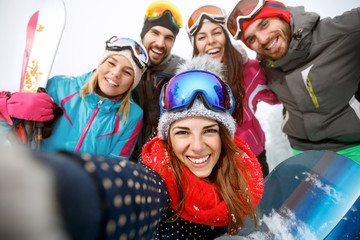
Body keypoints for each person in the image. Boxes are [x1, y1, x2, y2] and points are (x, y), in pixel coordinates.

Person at [0, 57, 264, 240]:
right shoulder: (159, 183)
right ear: (167, 140)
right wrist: (43, 190)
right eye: (182, 132)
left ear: (224, 136)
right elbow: (117, 190)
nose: (197, 146)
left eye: (209, 131)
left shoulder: (244, 178)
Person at [226, 0, 360, 163]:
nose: (262, 39)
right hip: (301, 152)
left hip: (352, 147)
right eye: (251, 38)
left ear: (282, 15)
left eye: (264, 24)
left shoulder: (340, 33)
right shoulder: (265, 64)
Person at [0, 37, 148, 160]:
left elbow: (116, 168)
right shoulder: (59, 87)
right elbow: (7, 136)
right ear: (101, 63)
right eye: (111, 63)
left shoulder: (132, 116)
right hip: (35, 178)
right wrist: (8, 107)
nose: (115, 73)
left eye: (127, 72)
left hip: (78, 188)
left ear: (133, 82)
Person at [185, 5, 279, 177]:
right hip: (214, 162)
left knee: (261, 203)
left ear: (226, 37)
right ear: (196, 45)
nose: (211, 41)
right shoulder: (190, 83)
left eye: (216, 32)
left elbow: (279, 95)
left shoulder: (251, 70)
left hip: (253, 155)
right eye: (202, 37)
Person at [131, 1, 185, 162]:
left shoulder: (181, 71)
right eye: (155, 33)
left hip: (161, 160)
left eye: (169, 38)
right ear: (144, 31)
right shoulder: (125, 60)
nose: (160, 43)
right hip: (122, 154)